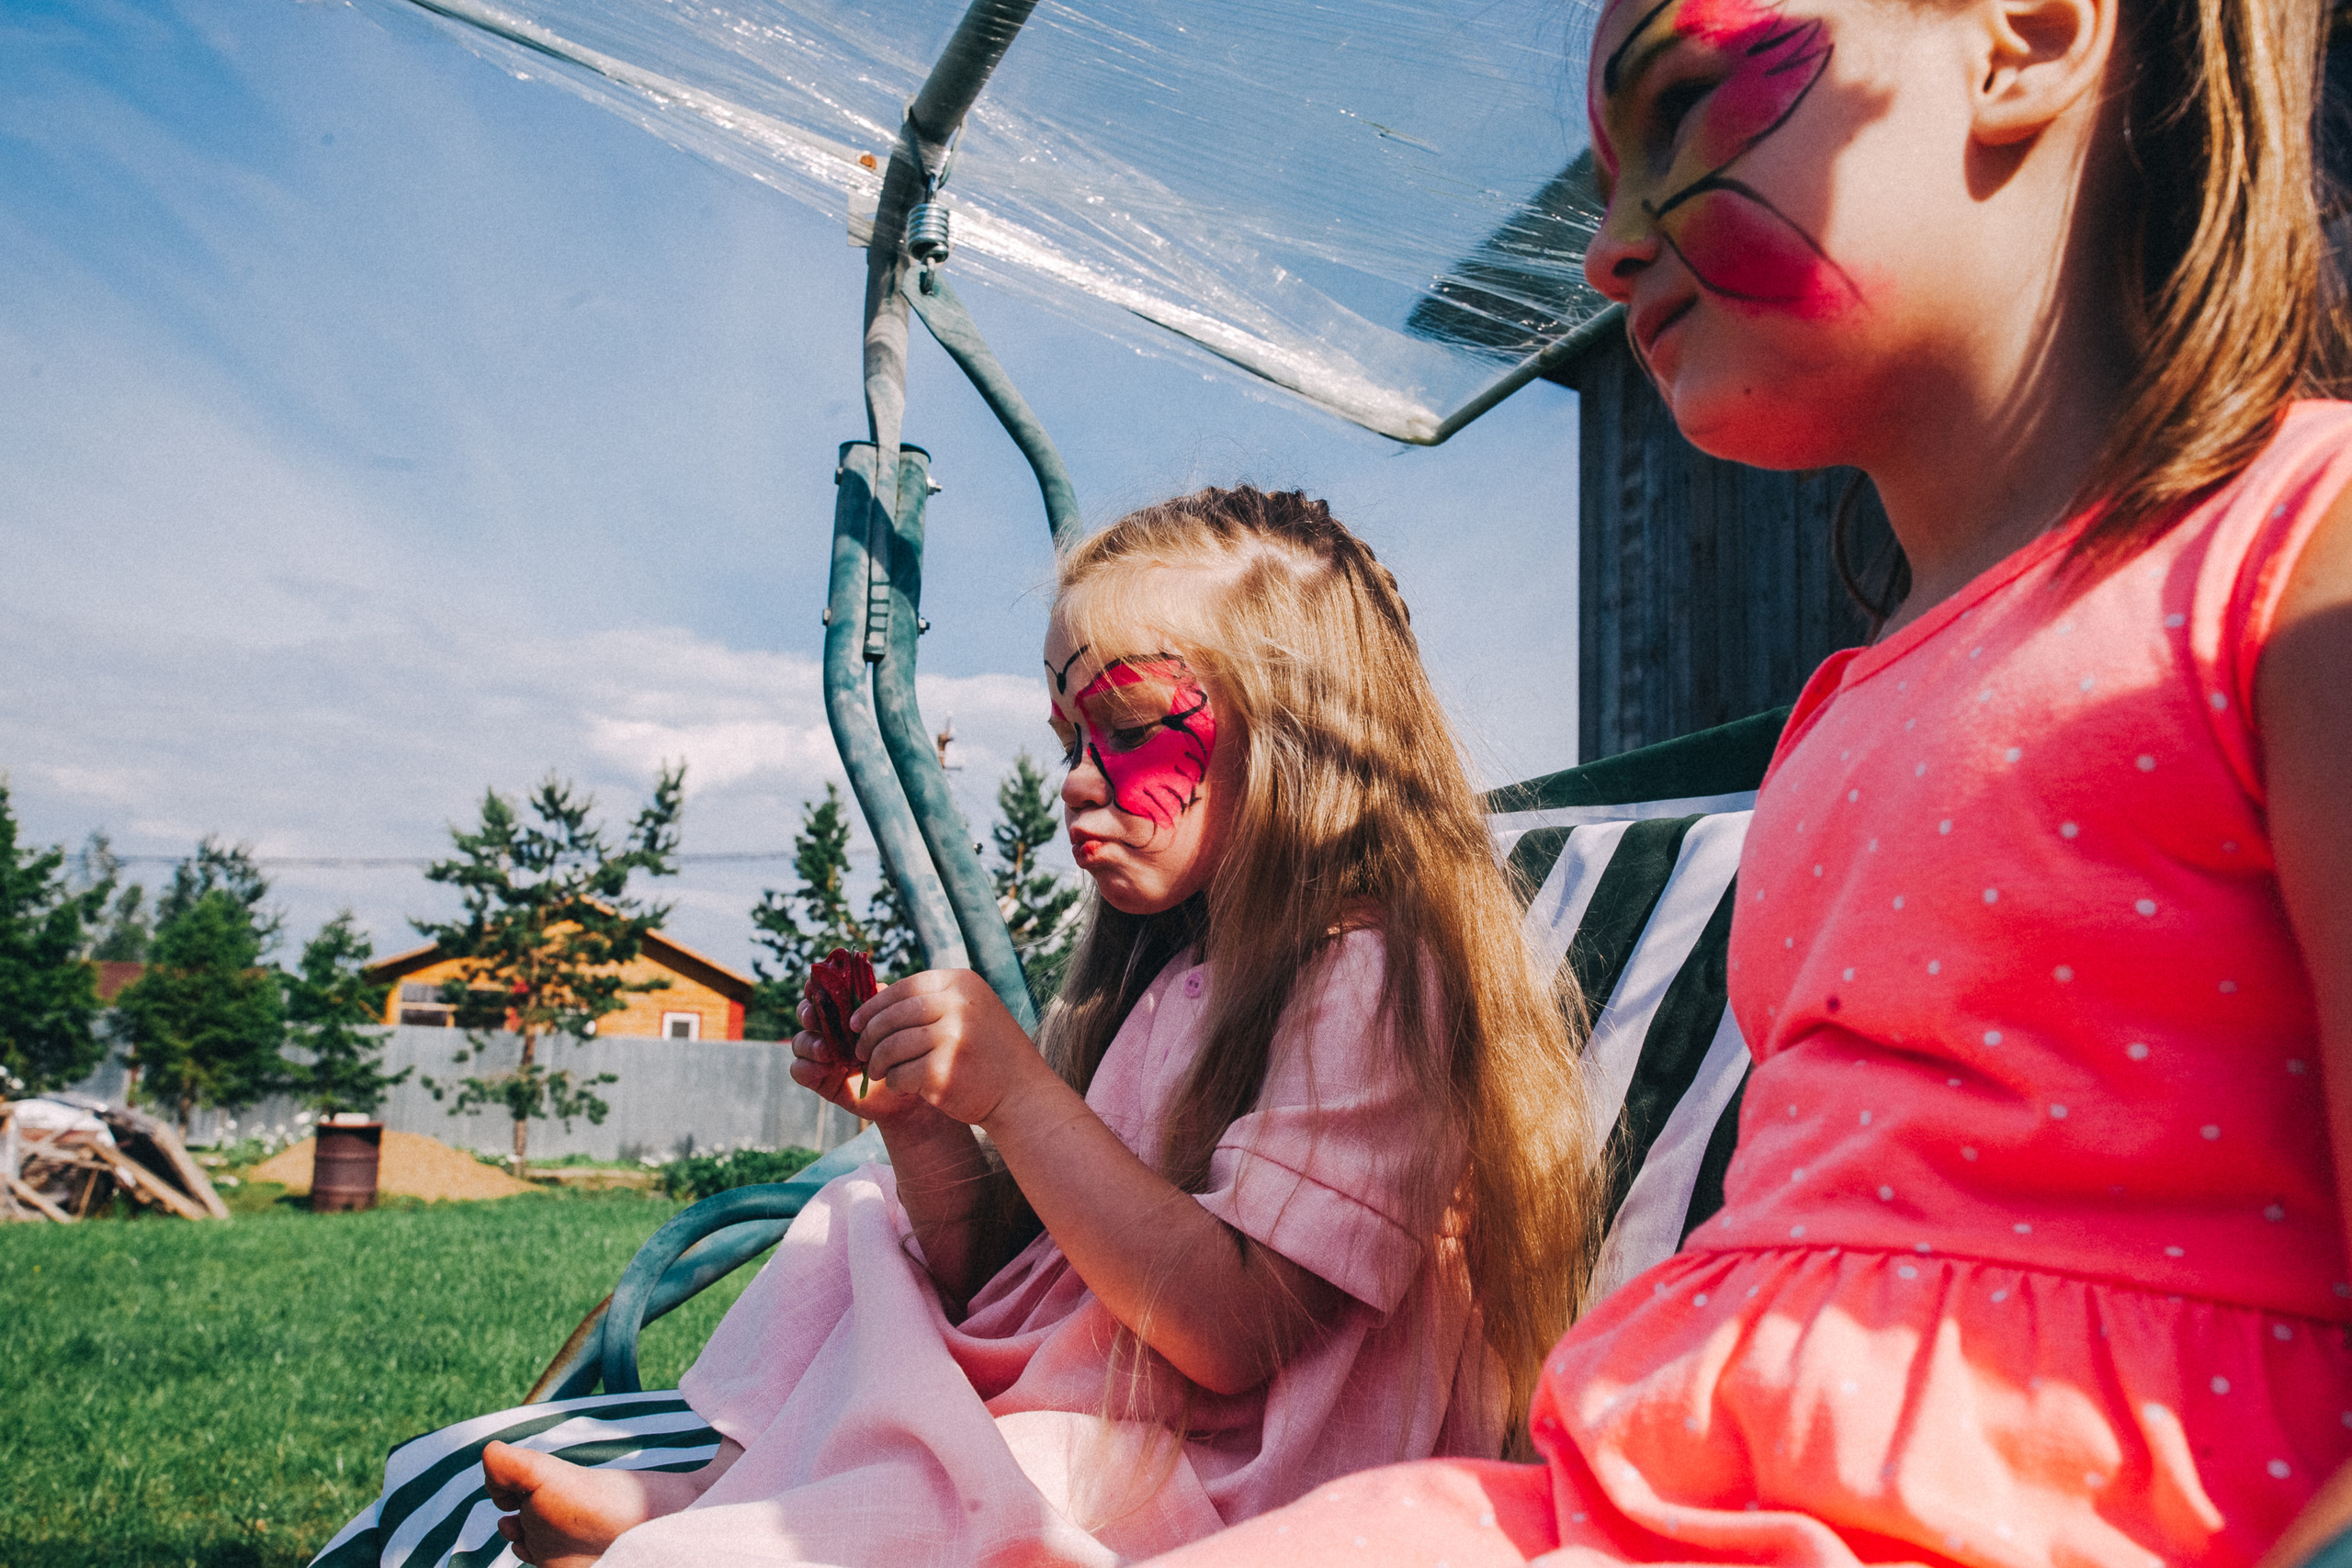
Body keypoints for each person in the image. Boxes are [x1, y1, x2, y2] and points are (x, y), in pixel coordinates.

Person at [1134, 0, 2352, 1564]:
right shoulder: (1847, 701)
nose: (1604, 252)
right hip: (1661, 1491)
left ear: (2031, 35)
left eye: (1692, 106)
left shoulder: (2300, 557)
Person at [323, 487, 1603, 1568]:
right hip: (1103, 1402)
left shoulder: (1369, 980)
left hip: (1237, 1477)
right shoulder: (1171, 981)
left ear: (1310, 736)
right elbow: (1018, 1282)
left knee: (1023, 1462)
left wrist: (1021, 1099)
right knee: (849, 1218)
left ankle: (740, 1523)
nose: (1076, 780)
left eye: (1133, 728)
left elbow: (1225, 1338)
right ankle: (722, 1489)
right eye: (1067, 738)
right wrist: (932, 1132)